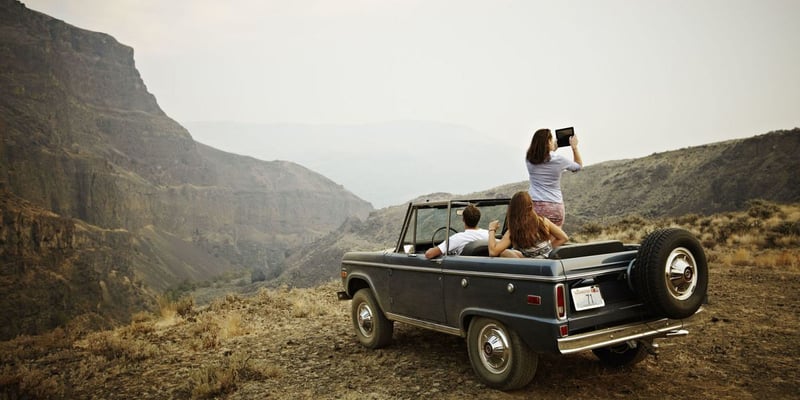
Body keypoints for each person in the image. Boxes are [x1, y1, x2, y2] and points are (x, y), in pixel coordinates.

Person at [526, 128, 582, 227]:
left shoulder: (529, 158)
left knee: (537, 239)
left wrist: (552, 148)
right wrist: (574, 147)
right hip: (554, 204)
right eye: (551, 140)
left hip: (534, 206)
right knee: (555, 238)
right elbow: (577, 167)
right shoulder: (559, 160)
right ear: (548, 142)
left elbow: (543, 156)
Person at [487, 191, 568, 258]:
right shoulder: (543, 221)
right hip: (547, 259)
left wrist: (492, 229)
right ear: (531, 206)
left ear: (512, 209)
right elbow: (563, 238)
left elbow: (493, 252)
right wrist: (547, 251)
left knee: (504, 252)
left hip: (532, 265)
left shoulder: (514, 230)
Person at [425, 204, 489, 259]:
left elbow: (429, 254)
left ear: (463, 219)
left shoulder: (457, 238)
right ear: (478, 219)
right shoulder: (488, 234)